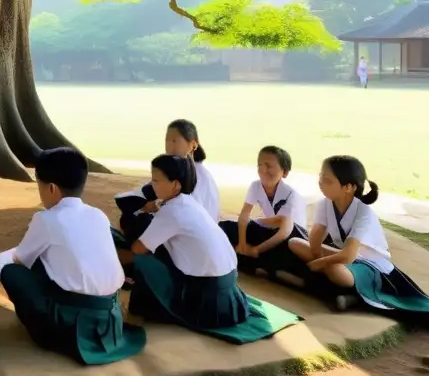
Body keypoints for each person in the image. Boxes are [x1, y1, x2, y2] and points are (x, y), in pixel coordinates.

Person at [126, 155, 301, 344]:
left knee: (142, 262)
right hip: (229, 290)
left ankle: (147, 308)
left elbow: (137, 249)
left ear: (175, 185)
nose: (152, 185)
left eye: (156, 180)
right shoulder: (188, 202)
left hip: (208, 302)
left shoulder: (171, 212)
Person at [0, 147, 146, 365]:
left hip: (73, 324)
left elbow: (20, 260)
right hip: (111, 320)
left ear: (50, 188)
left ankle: (44, 330)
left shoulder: (46, 219)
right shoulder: (98, 215)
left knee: (11, 272)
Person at [288, 156, 429, 331]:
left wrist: (319, 263)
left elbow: (348, 256)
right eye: (320, 177)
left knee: (333, 268)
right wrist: (317, 255)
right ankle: (343, 292)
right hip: (342, 257)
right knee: (295, 242)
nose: (320, 183)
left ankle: (352, 296)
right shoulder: (325, 204)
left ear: (349, 187)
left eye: (327, 180)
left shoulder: (363, 213)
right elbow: (316, 237)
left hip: (369, 265)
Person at [112, 118, 220, 251]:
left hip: (192, 239)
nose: (169, 146)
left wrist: (158, 208)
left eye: (174, 141)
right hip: (187, 230)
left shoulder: (198, 175)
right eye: (167, 141)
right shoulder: (178, 170)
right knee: (132, 213)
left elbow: (187, 212)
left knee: (137, 221)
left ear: (193, 145)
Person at [219, 146, 308, 279]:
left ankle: (263, 266)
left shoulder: (292, 197)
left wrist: (257, 250)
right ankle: (265, 268)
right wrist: (242, 243)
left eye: (269, 166)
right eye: (260, 165)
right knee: (224, 227)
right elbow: (244, 214)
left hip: (288, 239)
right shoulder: (256, 186)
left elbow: (284, 232)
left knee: (284, 253)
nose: (263, 170)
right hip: (269, 233)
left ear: (285, 172)